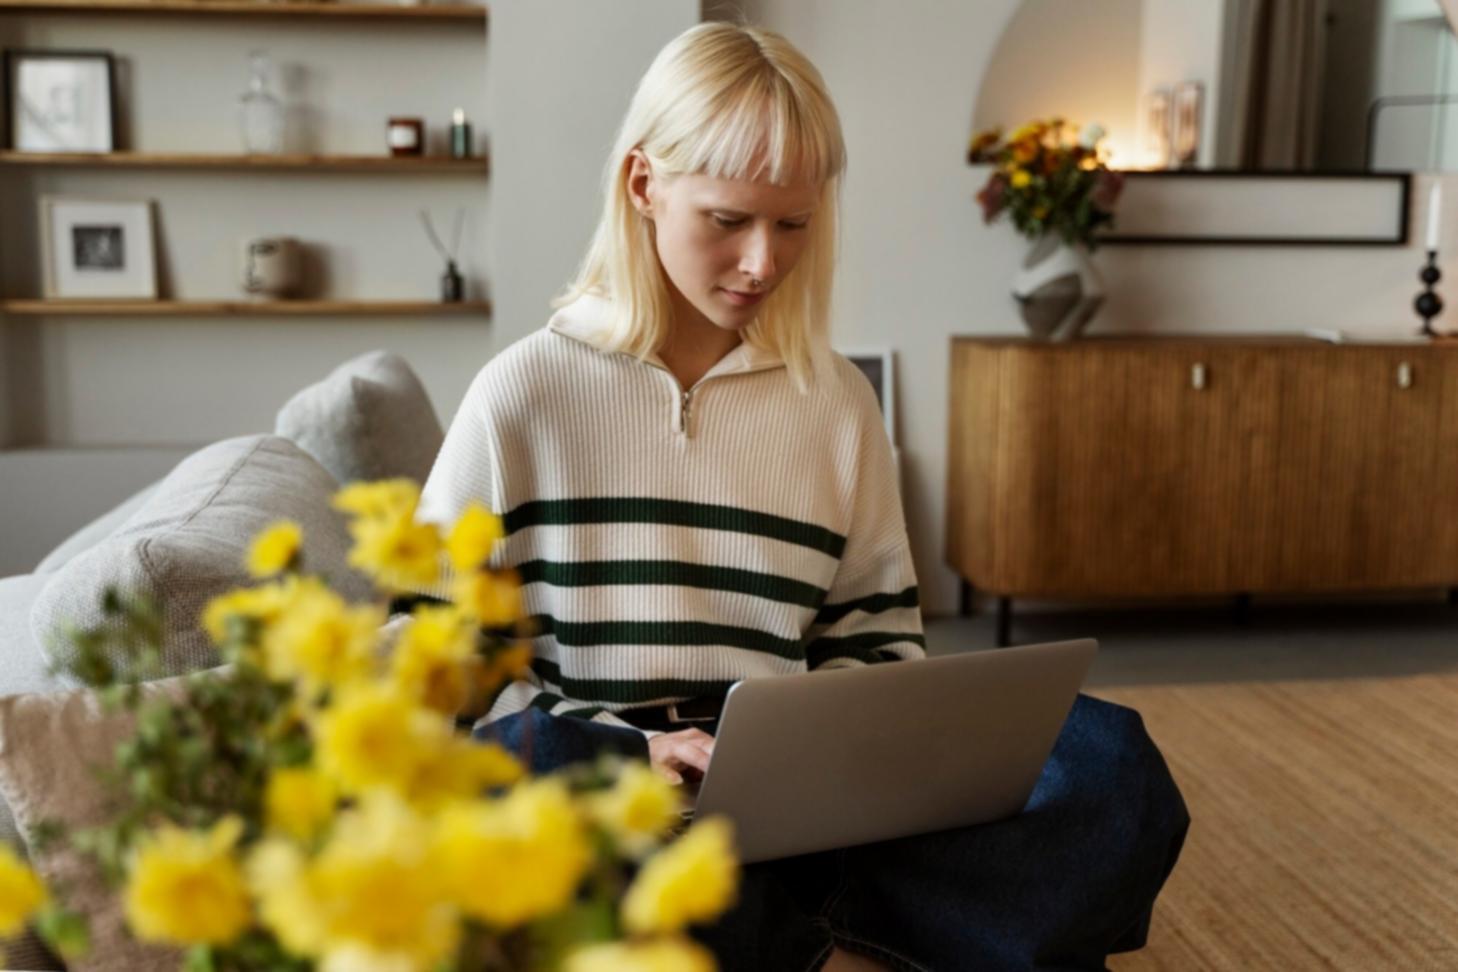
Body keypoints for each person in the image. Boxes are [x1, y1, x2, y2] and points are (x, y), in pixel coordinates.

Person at [418, 21, 1187, 972]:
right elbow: (428, 675)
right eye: (728, 221)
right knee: (552, 809)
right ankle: (859, 937)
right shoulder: (521, 395)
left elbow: (875, 642)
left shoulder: (835, 404)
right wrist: (618, 760)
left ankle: (809, 932)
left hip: (796, 788)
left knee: (1110, 767)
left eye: (793, 225)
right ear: (644, 186)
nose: (761, 264)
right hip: (616, 792)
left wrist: (840, 761)